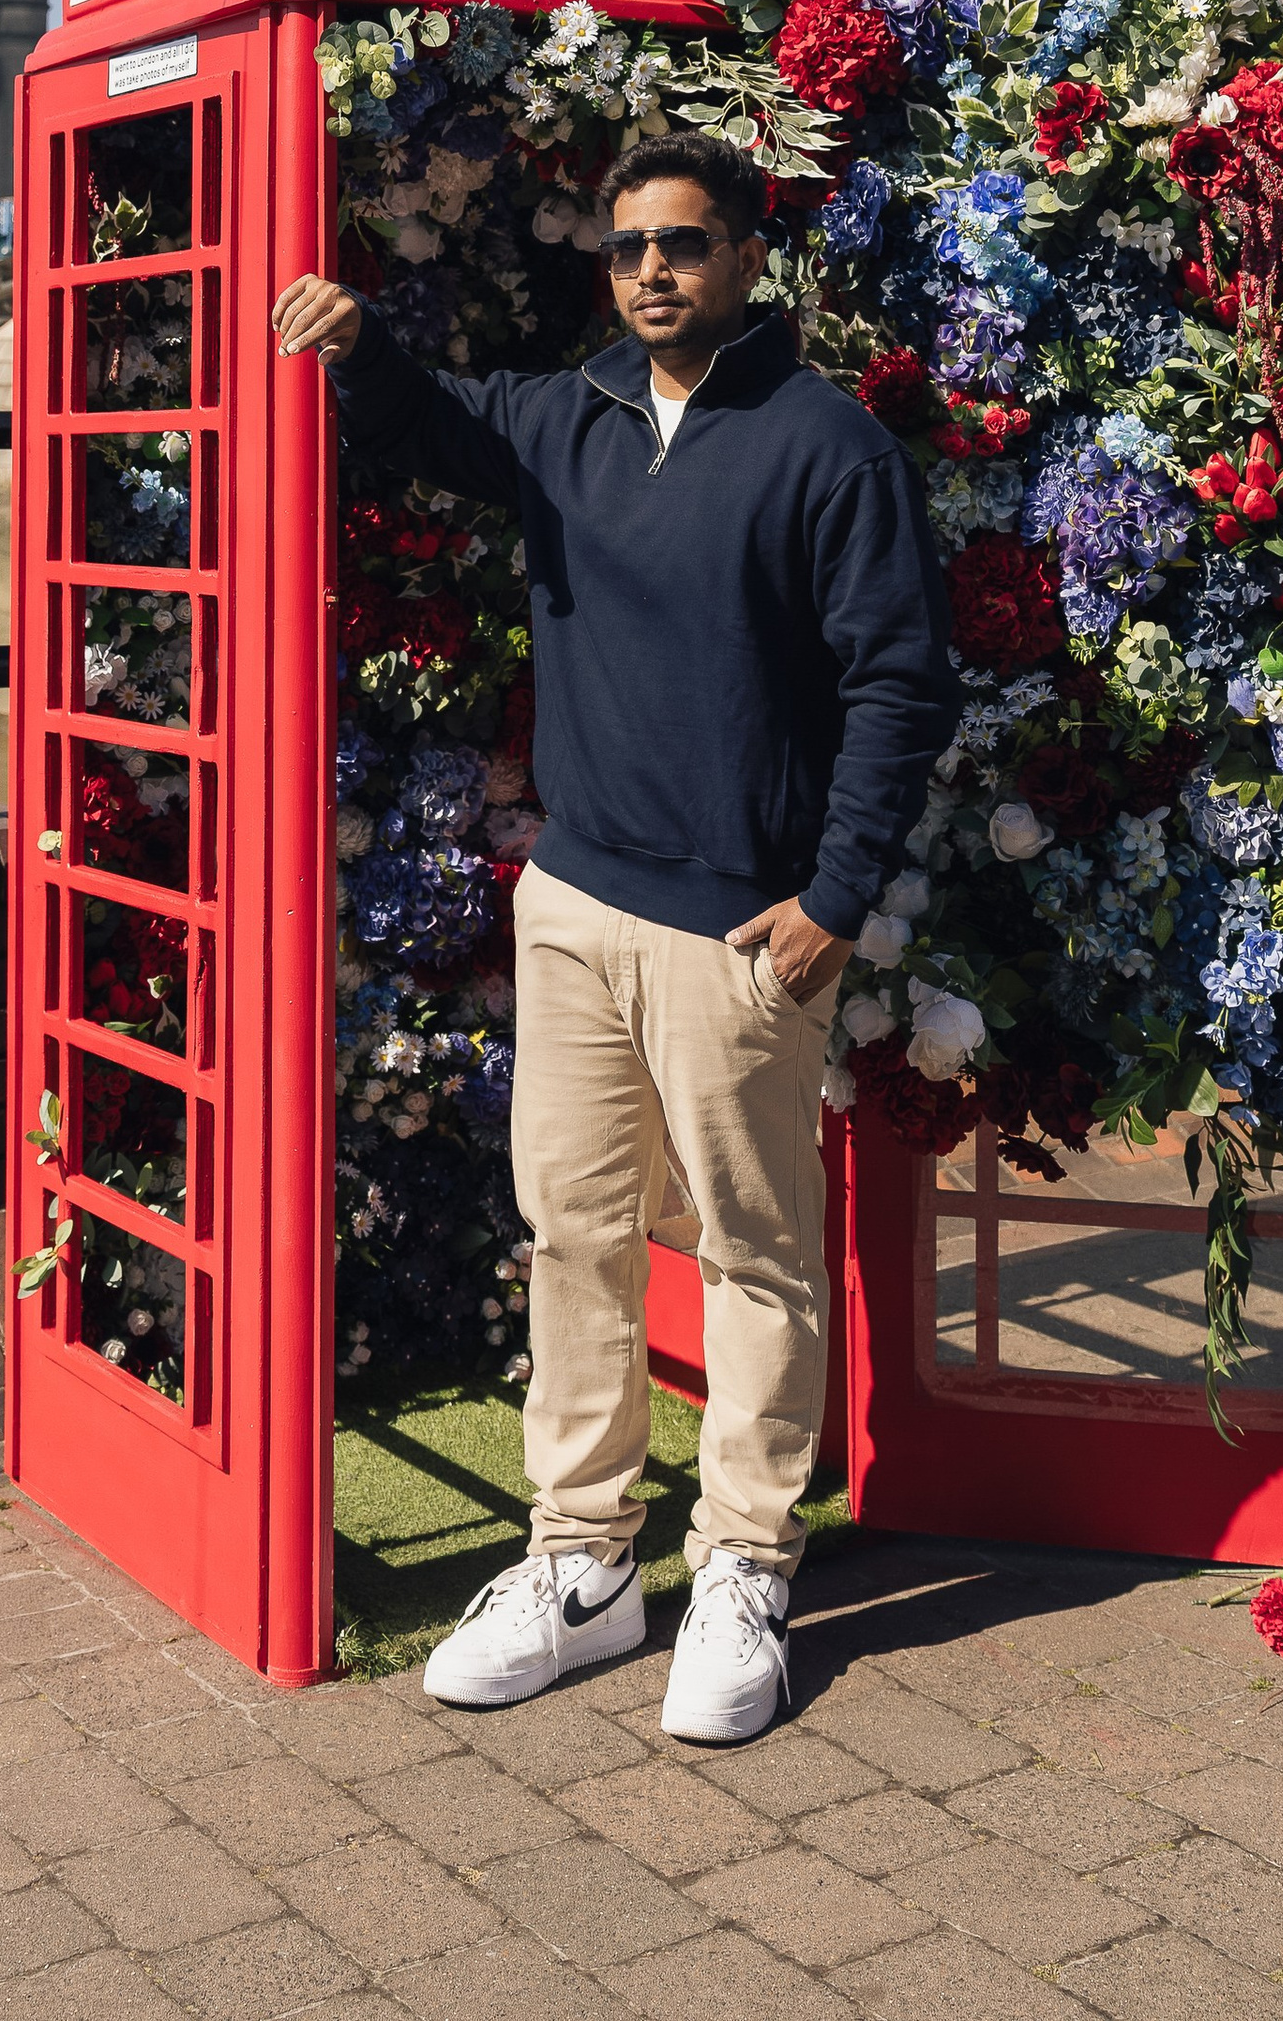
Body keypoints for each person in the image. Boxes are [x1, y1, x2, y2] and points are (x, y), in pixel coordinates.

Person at [271, 130, 954, 1744]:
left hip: (738, 925)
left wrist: (834, 899)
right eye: (632, 243)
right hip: (572, 901)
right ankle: (584, 1562)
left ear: (748, 257)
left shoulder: (824, 447)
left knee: (751, 1247)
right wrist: (360, 345)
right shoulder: (565, 413)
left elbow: (900, 687)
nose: (654, 267)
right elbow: (431, 430)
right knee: (570, 1228)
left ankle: (743, 1564)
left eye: (689, 241)